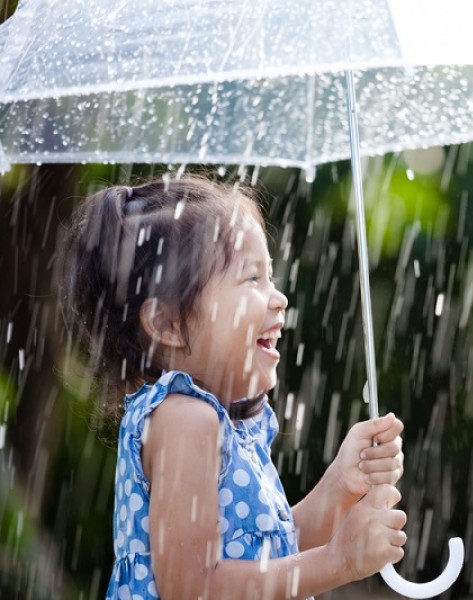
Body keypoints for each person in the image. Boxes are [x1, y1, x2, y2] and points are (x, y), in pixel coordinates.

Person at [62, 175, 407, 599]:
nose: (278, 298)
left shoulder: (219, 422)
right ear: (167, 324)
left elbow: (274, 553)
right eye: (251, 279)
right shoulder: (184, 420)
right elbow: (194, 588)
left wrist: (340, 486)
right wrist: (338, 561)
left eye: (270, 276)